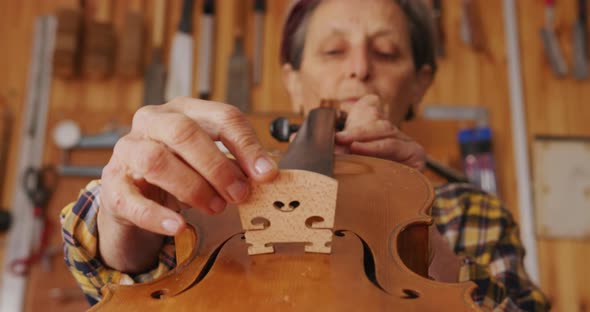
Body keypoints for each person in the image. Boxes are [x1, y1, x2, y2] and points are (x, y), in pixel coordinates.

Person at [61, 0, 549, 310]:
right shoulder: (223, 184)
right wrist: (125, 216)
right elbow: (119, 286)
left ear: (420, 82)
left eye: (385, 52)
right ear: (293, 79)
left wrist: (419, 231)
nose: (358, 70)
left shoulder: (471, 211)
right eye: (334, 52)